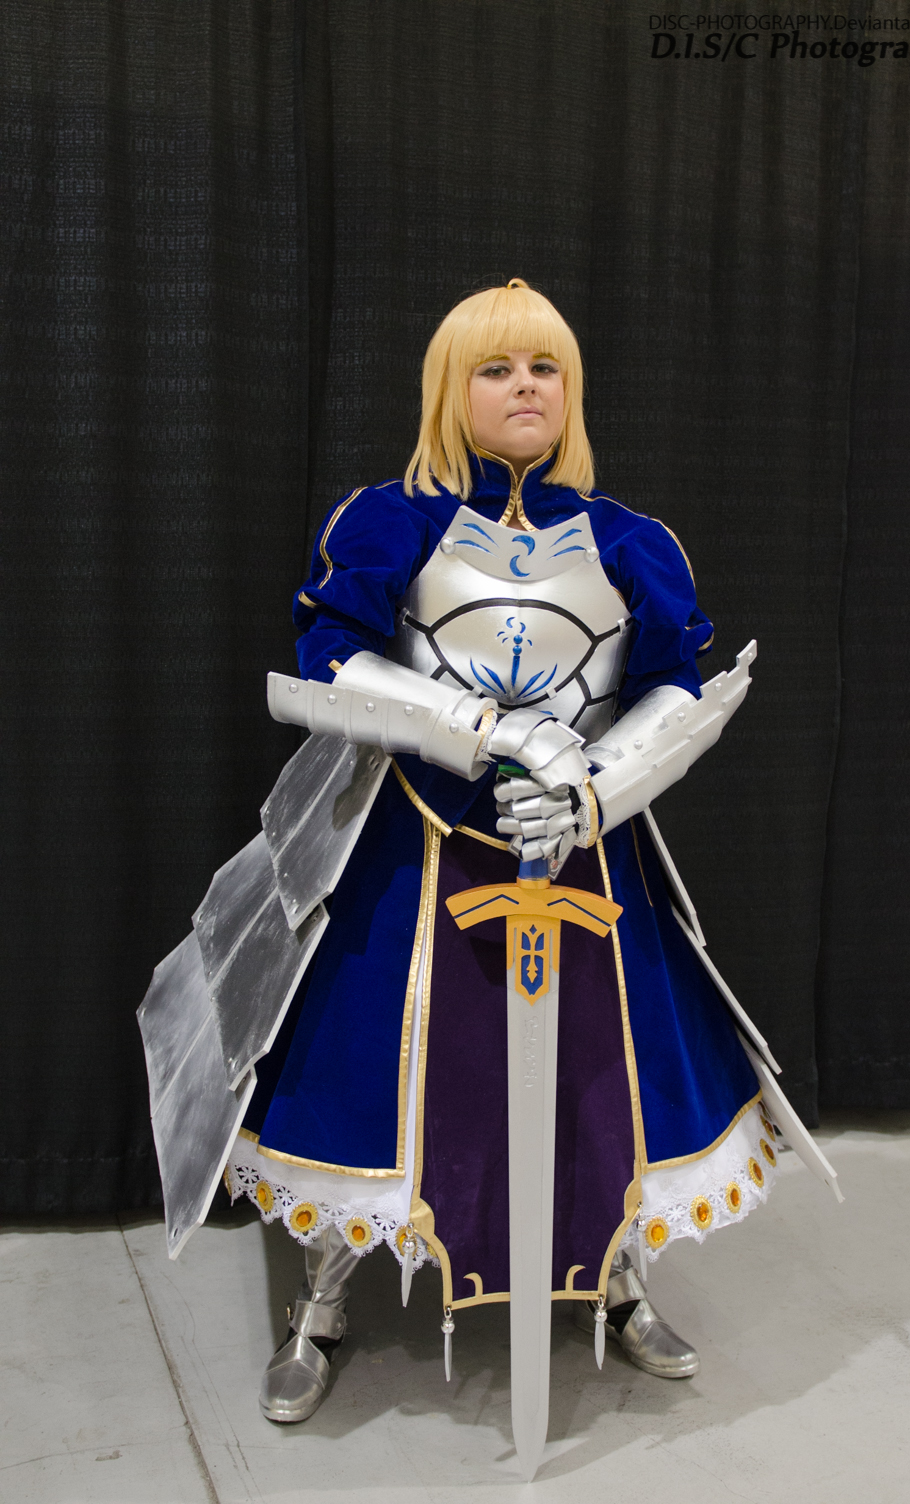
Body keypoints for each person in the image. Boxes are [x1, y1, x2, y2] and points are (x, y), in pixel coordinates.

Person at [143, 280, 837, 1434]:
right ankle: (323, 1304)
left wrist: (591, 789)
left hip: (584, 851)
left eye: (545, 367)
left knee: (605, 1081)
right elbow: (330, 659)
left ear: (573, 388)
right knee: (370, 1087)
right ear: (449, 389)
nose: (525, 388)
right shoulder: (391, 520)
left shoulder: (630, 540)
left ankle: (617, 1280)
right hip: (412, 847)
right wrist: (487, 730)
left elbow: (672, 684)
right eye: (497, 368)